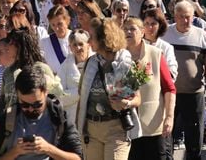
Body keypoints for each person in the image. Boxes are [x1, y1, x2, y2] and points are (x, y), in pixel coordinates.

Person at [161, 1, 206, 160]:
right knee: (167, 133)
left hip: (194, 93)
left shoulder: (201, 35)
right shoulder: (165, 34)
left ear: (193, 17)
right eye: (181, 17)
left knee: (194, 134)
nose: (185, 20)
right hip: (169, 93)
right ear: (175, 16)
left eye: (188, 17)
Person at [77, 18, 142, 160]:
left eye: (92, 37)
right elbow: (81, 95)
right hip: (92, 130)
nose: (89, 42)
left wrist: (126, 103)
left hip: (116, 130)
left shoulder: (125, 64)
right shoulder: (90, 63)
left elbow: (137, 99)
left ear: (103, 39)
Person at [0, 65, 83, 160]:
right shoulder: (7, 118)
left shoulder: (59, 117)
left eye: (37, 105)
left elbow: (78, 157)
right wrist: (15, 152)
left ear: (46, 92)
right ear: (17, 95)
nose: (31, 109)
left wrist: (49, 149)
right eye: (24, 105)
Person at [123, 18, 176, 160]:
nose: (128, 32)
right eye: (125, 29)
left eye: (132, 29)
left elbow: (169, 89)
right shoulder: (118, 57)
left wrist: (169, 117)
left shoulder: (155, 54)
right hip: (127, 126)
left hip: (153, 125)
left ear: (142, 32)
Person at [57, 29, 92, 124]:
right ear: (70, 48)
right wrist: (80, 92)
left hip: (93, 117)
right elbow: (59, 95)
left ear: (88, 45)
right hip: (72, 119)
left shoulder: (96, 63)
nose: (78, 48)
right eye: (74, 45)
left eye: (81, 44)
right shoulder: (65, 66)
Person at [141, 8, 178, 81]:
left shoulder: (166, 47)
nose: (149, 27)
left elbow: (172, 71)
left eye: (153, 24)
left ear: (160, 25)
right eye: (146, 23)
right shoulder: (137, 44)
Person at [40, 5, 73, 74]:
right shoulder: (44, 43)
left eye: (59, 24)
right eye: (53, 25)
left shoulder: (77, 38)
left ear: (67, 21)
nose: (56, 28)